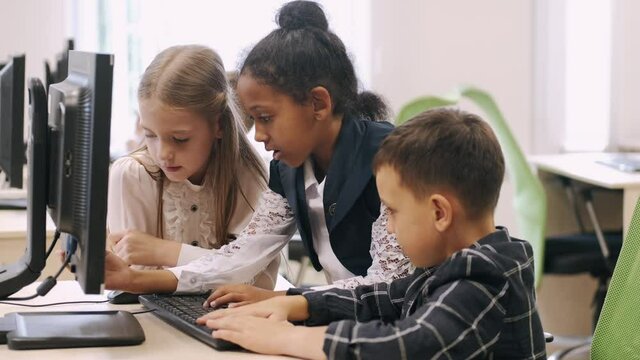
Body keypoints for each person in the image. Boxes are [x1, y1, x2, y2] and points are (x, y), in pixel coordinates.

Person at [104, 0, 412, 294]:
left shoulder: (391, 159)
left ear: (318, 103)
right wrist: (134, 279)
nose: (259, 135)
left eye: (265, 118)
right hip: (345, 319)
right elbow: (242, 257)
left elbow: (387, 285)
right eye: (253, 119)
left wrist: (287, 301)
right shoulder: (289, 169)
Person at [198, 108, 547, 359]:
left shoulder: (483, 280)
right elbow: (381, 298)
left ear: (439, 212)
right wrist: (292, 303)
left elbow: (407, 345)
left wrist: (285, 339)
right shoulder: (456, 263)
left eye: (392, 211)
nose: (388, 226)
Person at [105, 44, 276, 292]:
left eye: (180, 138)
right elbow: (126, 284)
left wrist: (165, 252)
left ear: (218, 125)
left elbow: (261, 280)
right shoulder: (131, 175)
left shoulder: (247, 174)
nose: (163, 154)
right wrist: (220, 265)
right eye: (150, 135)